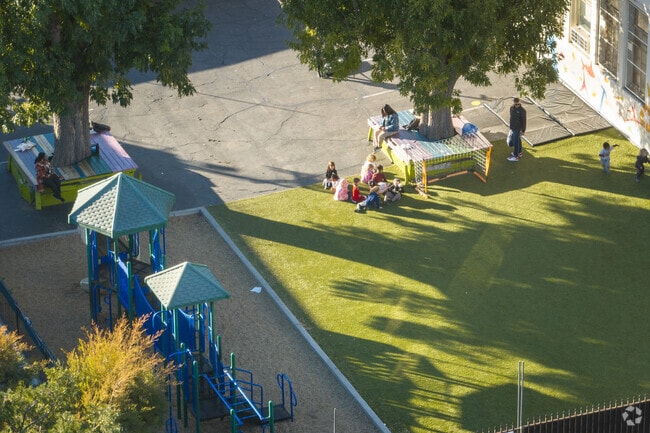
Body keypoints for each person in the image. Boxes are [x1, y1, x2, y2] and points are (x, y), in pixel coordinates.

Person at [507, 97, 527, 162]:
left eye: (518, 104)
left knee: (516, 142)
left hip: (518, 128)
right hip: (513, 127)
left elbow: (524, 121)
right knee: (518, 140)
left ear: (520, 102)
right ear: (514, 103)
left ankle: (515, 157)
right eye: (516, 104)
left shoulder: (522, 111)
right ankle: (519, 152)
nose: (517, 105)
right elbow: (511, 117)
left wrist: (523, 130)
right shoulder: (511, 108)